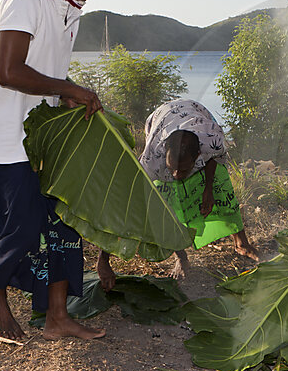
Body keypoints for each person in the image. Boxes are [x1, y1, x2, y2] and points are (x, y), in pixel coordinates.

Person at [0, 0, 114, 341]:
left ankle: (57, 315)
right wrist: (67, 87)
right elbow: (8, 71)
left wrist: (66, 97)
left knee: (64, 221)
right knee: (21, 225)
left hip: (44, 137)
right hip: (6, 136)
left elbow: (48, 75)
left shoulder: (70, 11)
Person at [97, 98, 260, 287]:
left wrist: (208, 188)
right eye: (172, 168)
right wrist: (103, 259)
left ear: (198, 156)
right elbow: (126, 202)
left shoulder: (211, 140)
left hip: (197, 113)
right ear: (164, 155)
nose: (176, 175)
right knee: (165, 203)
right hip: (160, 119)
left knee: (221, 186)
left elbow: (215, 157)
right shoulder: (152, 160)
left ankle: (241, 243)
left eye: (183, 170)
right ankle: (181, 257)